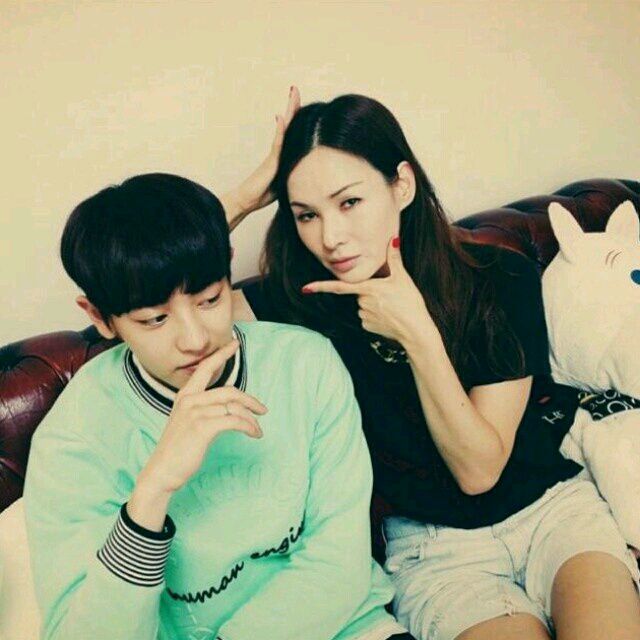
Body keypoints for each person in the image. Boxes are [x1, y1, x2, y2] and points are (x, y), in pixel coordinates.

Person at [227, 91, 640, 640]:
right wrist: (243, 198)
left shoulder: (500, 278)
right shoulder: (301, 300)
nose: (330, 237)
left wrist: (417, 333)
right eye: (307, 214)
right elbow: (159, 303)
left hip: (553, 512)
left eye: (349, 202)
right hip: (436, 553)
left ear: (402, 184)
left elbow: (479, 468)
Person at [23, 172, 414, 640]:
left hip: (347, 629)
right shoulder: (75, 435)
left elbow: (338, 562)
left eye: (210, 300)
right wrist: (153, 491)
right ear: (99, 318)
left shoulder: (304, 363)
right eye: (154, 319)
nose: (194, 340)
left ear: (228, 268)